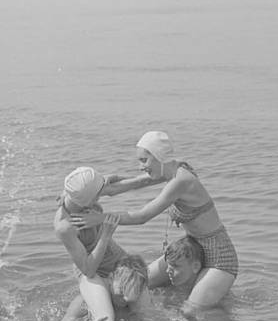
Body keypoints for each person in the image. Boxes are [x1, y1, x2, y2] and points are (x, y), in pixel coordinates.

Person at [69, 131, 238, 310]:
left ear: (159, 157)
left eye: (144, 160)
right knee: (136, 285)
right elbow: (121, 187)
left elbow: (142, 216)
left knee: (189, 311)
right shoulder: (169, 171)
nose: (140, 167)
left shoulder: (181, 180)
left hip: (219, 257)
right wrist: (72, 194)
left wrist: (99, 219)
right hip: (190, 250)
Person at [54, 166, 127, 321]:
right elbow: (88, 269)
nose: (101, 196)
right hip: (93, 273)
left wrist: (162, 175)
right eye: (98, 194)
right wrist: (106, 234)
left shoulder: (75, 192)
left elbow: (119, 187)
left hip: (116, 262)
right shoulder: (65, 227)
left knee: (123, 314)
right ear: (88, 200)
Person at [57, 254, 150, 321]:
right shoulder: (84, 303)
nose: (126, 298)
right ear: (110, 278)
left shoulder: (132, 306)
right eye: (122, 290)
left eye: (132, 291)